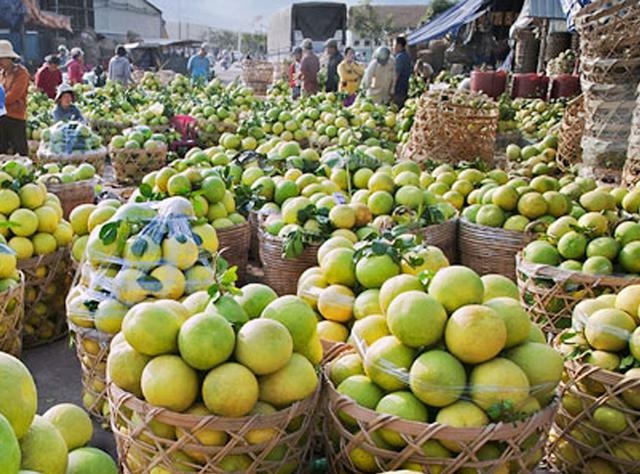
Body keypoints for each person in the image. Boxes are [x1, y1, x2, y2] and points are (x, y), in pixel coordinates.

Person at [0, 40, 29, 155]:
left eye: (2, 58)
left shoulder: (21, 73)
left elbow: (13, 95)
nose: (0, 61)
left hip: (15, 117)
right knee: (2, 150)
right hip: (2, 116)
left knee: (20, 150)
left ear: (9, 58)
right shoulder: (2, 73)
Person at [393, 36, 412, 108]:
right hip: (405, 88)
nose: (393, 47)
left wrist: (391, 89)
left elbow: (396, 75)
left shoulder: (399, 57)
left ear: (399, 46)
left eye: (394, 45)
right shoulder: (407, 56)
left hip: (399, 89)